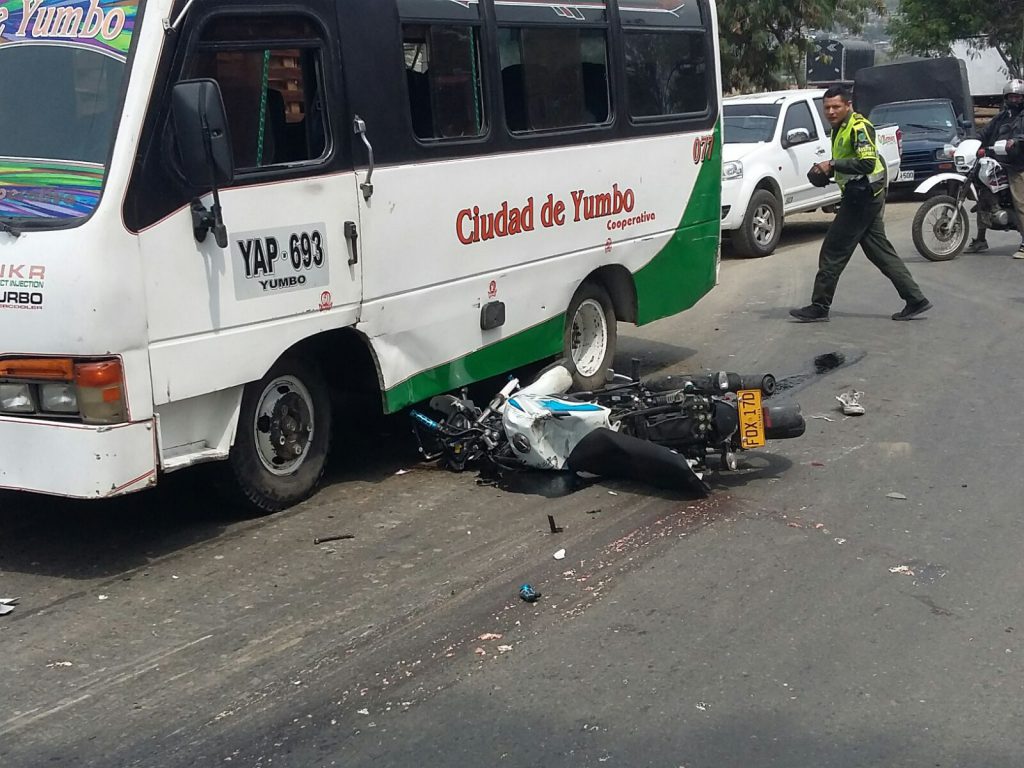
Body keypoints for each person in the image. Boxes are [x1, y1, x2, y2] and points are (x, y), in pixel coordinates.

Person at [790, 85, 932, 322]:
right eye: (827, 108)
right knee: (880, 252)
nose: (831, 112)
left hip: (862, 198)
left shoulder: (858, 127)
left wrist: (832, 165)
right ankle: (916, 299)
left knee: (833, 250)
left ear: (848, 105)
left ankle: (819, 306)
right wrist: (828, 172)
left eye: (836, 106)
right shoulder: (840, 127)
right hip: (864, 194)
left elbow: (867, 163)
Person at [964, 79, 1024, 257]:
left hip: (1018, 164)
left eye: (1018, 97)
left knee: (1020, 202)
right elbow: (985, 132)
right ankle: (980, 240)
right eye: (1011, 96)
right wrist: (970, 141)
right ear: (1006, 98)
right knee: (984, 195)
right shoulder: (1002, 117)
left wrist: (1016, 141)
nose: (1014, 100)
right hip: (997, 162)